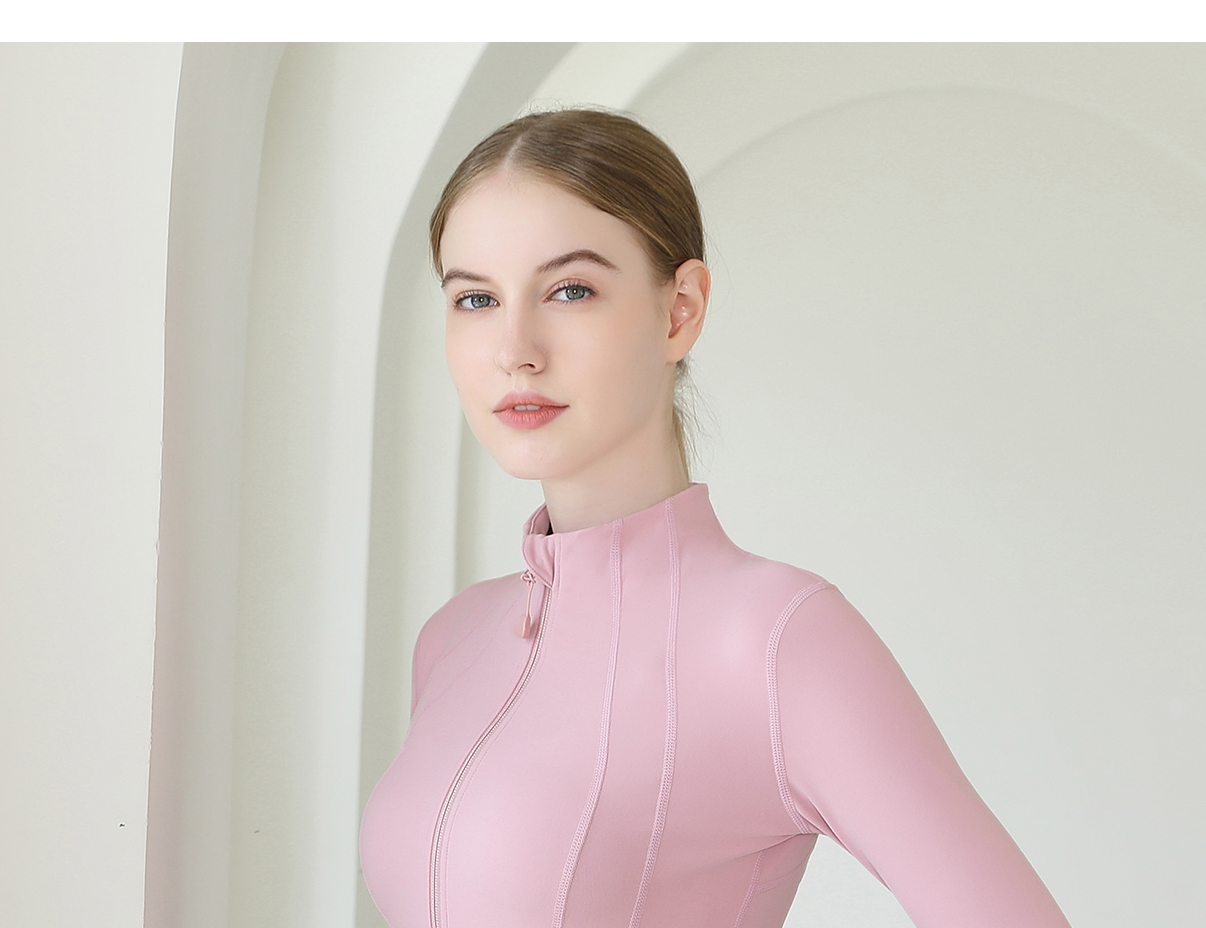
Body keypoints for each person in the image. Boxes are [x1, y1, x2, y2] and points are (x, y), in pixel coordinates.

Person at [359, 107, 1073, 928]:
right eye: (476, 298)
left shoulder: (778, 640)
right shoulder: (453, 639)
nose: (514, 347)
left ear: (681, 310)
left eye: (570, 290)